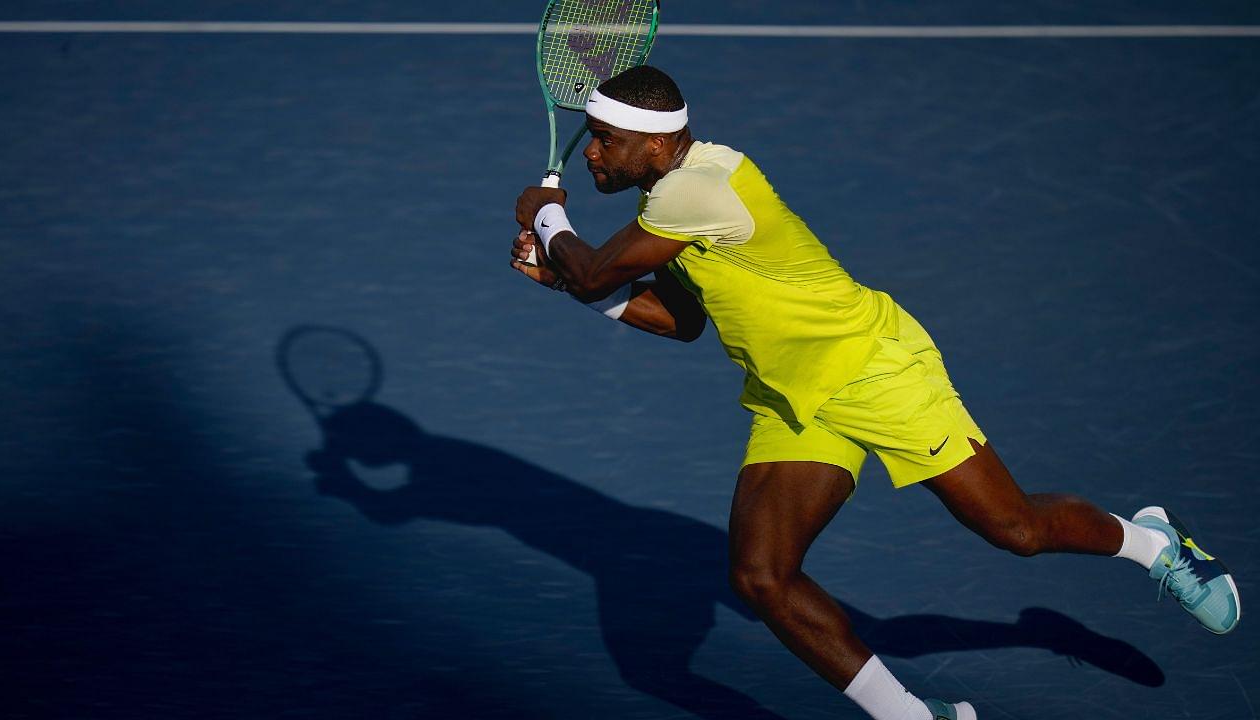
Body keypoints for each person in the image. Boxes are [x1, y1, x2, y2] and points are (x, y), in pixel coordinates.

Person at [508, 65, 1239, 720]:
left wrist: (548, 216)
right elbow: (683, 321)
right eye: (592, 139)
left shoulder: (700, 191)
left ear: (658, 147)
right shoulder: (670, 197)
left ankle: (1157, 546)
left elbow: (598, 267)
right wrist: (564, 277)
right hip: (794, 398)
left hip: (875, 373)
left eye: (604, 140)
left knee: (1013, 529)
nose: (594, 152)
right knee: (762, 577)